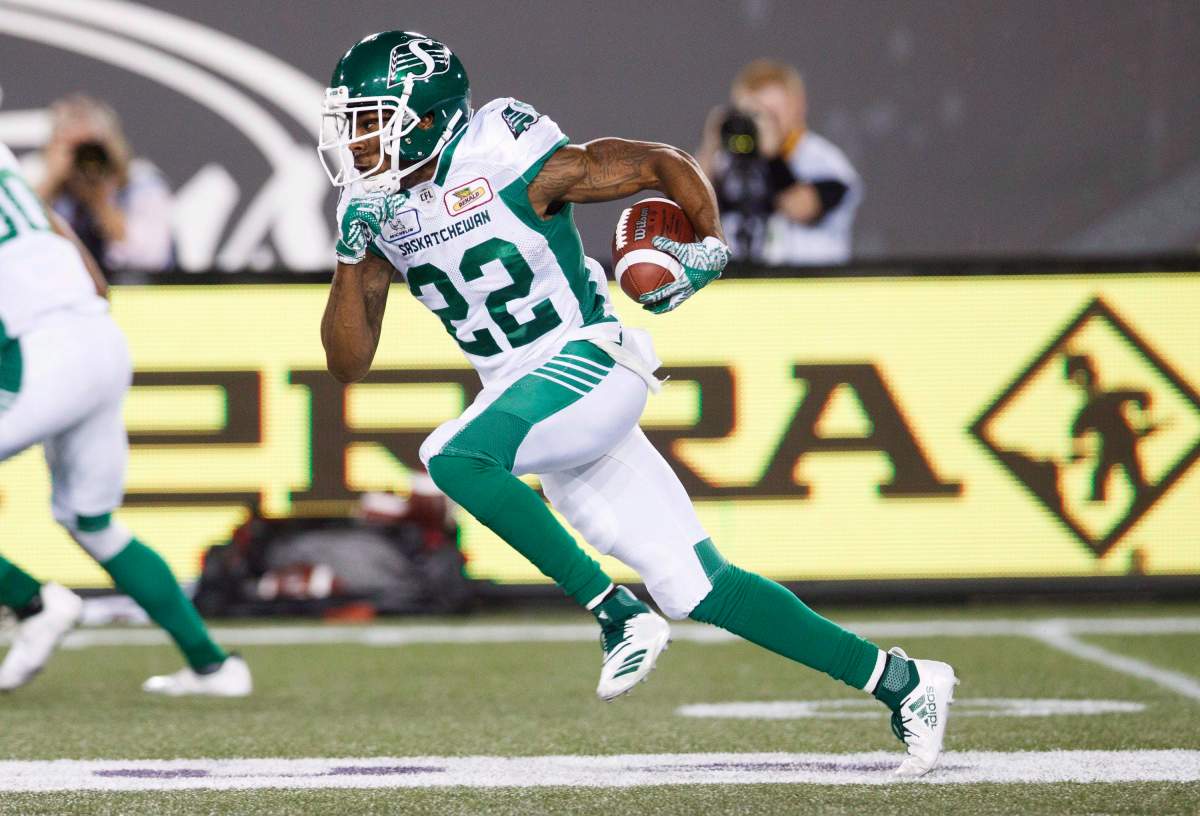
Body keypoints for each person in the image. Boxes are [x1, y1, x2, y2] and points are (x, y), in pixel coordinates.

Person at [317, 31, 955, 775]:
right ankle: (903, 683)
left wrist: (708, 243)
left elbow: (658, 163)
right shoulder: (376, 212)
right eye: (351, 120)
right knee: (695, 586)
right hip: (533, 402)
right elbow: (348, 362)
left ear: (424, 118)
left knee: (452, 457)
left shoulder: (503, 153)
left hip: (588, 359)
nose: (355, 139)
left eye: (369, 118)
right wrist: (351, 255)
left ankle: (615, 614)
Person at [0, 141, 249, 696]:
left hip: (39, 348)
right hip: (94, 334)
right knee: (92, 522)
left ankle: (33, 603)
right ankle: (214, 667)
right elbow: (52, 233)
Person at [697, 60, 861, 267]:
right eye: (754, 114)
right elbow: (693, 208)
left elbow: (799, 208)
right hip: (740, 288)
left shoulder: (825, 160)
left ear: (798, 107)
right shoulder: (726, 161)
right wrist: (711, 145)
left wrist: (772, 155)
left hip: (812, 286)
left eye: (772, 113)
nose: (763, 122)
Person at [34, 94, 173, 276]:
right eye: (73, 148)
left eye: (92, 148)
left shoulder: (141, 185)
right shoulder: (35, 178)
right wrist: (50, 184)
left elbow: (152, 260)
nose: (84, 159)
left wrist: (102, 203)